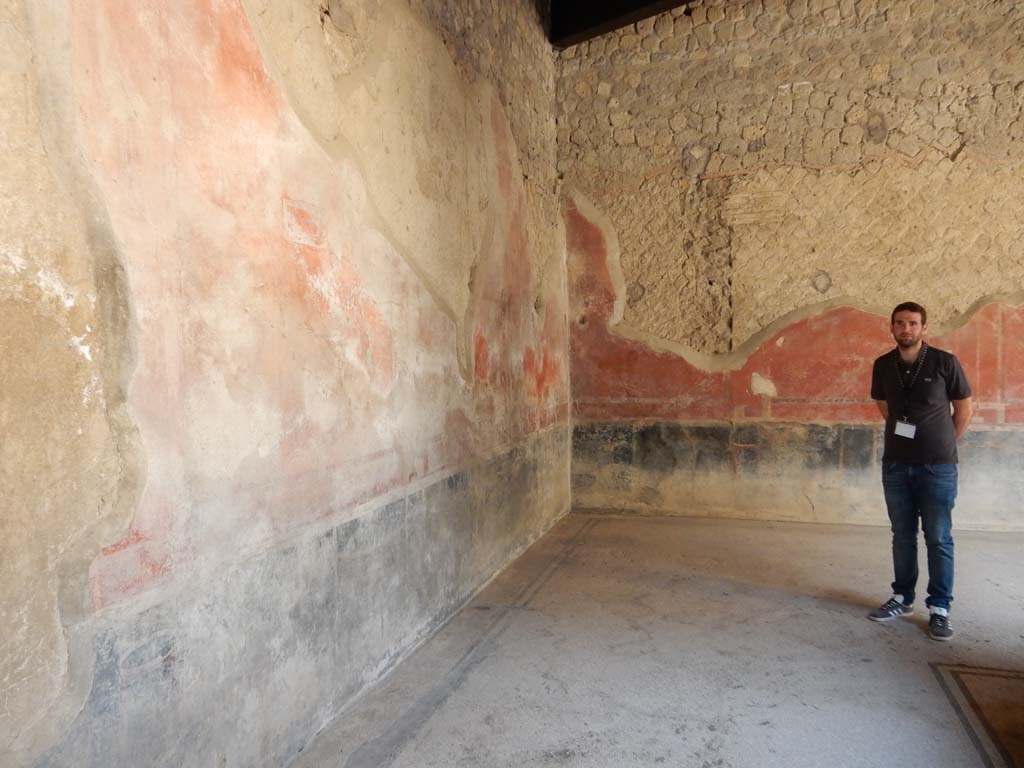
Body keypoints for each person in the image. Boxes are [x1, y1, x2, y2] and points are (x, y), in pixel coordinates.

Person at [868, 302, 973, 641]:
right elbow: (883, 404)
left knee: (938, 537)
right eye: (900, 323)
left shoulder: (945, 363)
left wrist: (944, 442)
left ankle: (940, 608)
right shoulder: (883, 365)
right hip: (896, 464)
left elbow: (964, 407)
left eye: (913, 323)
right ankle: (902, 598)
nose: (906, 329)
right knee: (902, 535)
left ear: (924, 328)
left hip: (937, 467)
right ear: (892, 327)